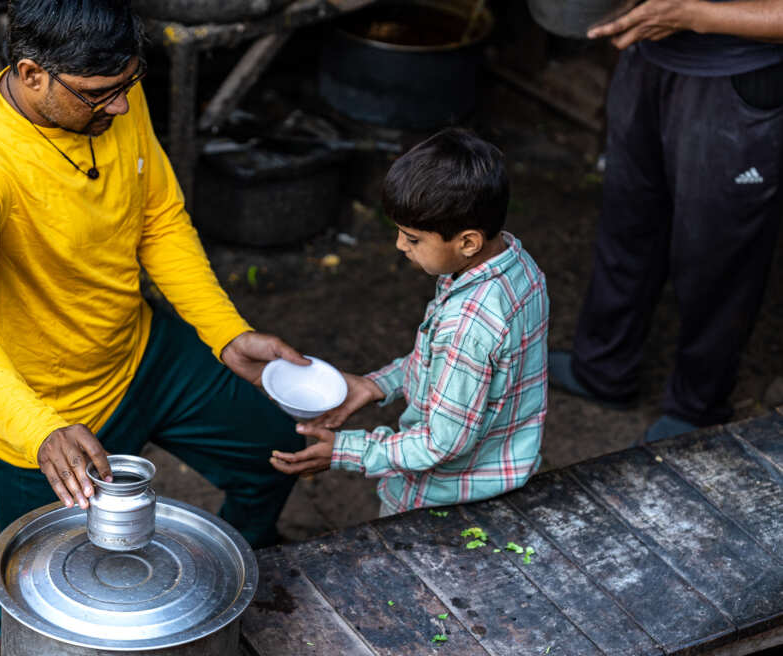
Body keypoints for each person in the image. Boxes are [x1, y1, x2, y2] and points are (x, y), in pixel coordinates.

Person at [0, 0, 306, 558]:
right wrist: (40, 431)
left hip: (145, 349)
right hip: (52, 413)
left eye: (130, 83)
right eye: (100, 93)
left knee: (275, 454)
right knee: (41, 592)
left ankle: (247, 572)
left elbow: (159, 220)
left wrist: (224, 331)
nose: (123, 103)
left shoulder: (112, 90)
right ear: (32, 74)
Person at [270, 129, 549, 514]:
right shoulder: (519, 267)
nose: (400, 246)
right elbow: (448, 367)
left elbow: (442, 442)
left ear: (468, 242)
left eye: (413, 239)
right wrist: (375, 384)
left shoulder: (469, 325)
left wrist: (347, 451)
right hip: (500, 467)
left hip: (445, 498)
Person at [548, 0, 783, 442]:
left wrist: (695, 16)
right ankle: (603, 367)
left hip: (736, 81)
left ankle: (697, 407)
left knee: (717, 256)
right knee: (626, 221)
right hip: (647, 58)